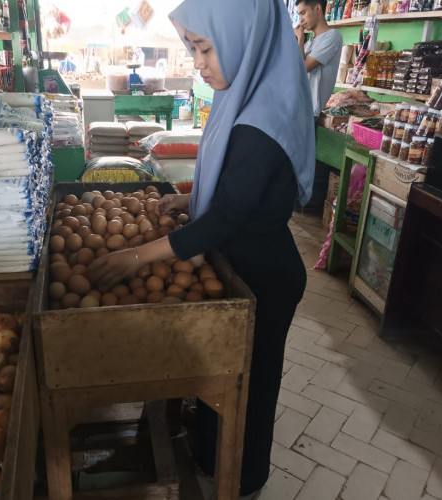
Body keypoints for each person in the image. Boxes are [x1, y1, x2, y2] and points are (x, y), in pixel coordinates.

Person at [87, 0, 315, 498]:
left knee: (249, 386)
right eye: (193, 49)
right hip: (241, 258)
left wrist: (136, 256)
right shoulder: (247, 95)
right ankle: (212, 455)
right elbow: (239, 190)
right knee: (223, 373)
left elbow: (231, 215)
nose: (198, 62)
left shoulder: (263, 117)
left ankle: (244, 479)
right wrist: (193, 197)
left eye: (204, 48)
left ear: (243, 38)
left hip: (265, 274)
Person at [294, 0, 343, 118]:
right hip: (296, 107)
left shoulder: (333, 36)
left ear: (317, 8)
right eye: (299, 14)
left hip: (308, 112)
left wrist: (300, 37)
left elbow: (304, 67)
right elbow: (294, 69)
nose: (301, 19)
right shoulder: (309, 43)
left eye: (303, 13)